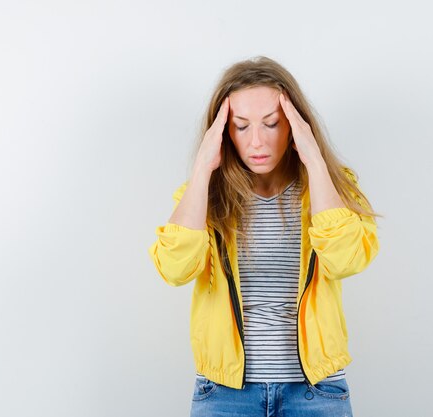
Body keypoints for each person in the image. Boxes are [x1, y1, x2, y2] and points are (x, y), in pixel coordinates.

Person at [147, 56, 381, 417]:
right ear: (223, 132)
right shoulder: (204, 196)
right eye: (241, 126)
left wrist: (316, 162)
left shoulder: (328, 189)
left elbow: (345, 259)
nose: (257, 141)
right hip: (224, 394)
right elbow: (175, 269)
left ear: (295, 127)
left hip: (316, 393)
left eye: (271, 124)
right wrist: (202, 170)